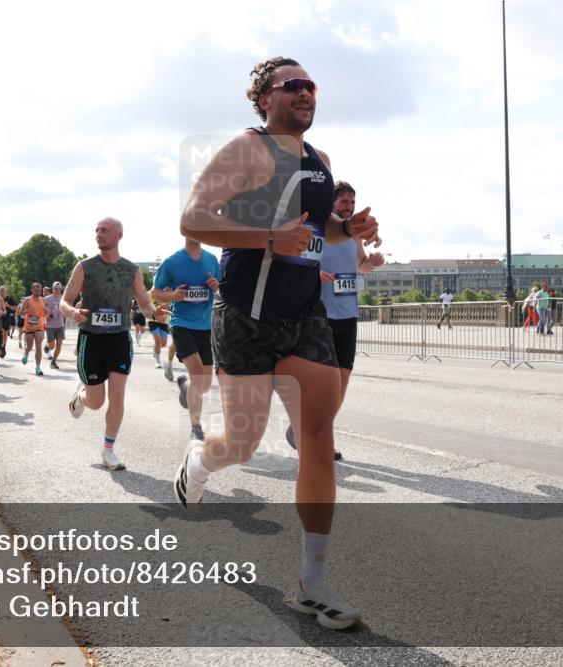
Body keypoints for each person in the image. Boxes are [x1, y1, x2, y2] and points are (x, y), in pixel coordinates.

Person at [170, 57, 380, 630]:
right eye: (294, 85)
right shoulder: (248, 149)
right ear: (265, 97)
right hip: (244, 315)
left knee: (318, 433)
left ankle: (313, 581)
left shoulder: (320, 162)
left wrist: (348, 230)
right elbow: (193, 219)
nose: (307, 93)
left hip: (303, 317)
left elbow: (315, 232)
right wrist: (266, 235)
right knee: (241, 444)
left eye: (312, 84)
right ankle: (200, 460)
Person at [286, 180, 385, 460]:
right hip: (320, 315)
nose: (349, 207)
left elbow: (360, 266)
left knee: (342, 381)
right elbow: (297, 263)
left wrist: (372, 264)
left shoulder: (353, 235)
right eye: (344, 202)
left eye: (352, 202)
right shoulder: (321, 231)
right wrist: (315, 276)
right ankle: (315, 437)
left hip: (348, 314)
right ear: (331, 204)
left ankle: (307, 431)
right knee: (323, 384)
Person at [61, 218, 164, 471]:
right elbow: (64, 301)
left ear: (119, 235)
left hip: (119, 338)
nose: (99, 235)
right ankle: (81, 397)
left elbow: (144, 303)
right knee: (97, 402)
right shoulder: (84, 267)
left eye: (104, 231)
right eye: (96, 230)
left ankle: (108, 450)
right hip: (91, 340)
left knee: (118, 395)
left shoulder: (132, 270)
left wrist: (154, 314)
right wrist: (73, 313)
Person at [151, 239, 221, 442]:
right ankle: (196, 428)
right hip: (181, 323)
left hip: (205, 325)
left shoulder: (211, 259)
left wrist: (215, 286)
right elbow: (155, 292)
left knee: (205, 384)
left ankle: (185, 386)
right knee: (198, 373)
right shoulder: (172, 261)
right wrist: (173, 295)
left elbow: (221, 287)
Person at [19, 282, 47, 376]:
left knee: (38, 345)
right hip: (29, 326)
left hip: (39, 326)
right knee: (30, 347)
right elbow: (21, 312)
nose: (38, 292)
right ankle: (26, 353)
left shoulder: (43, 300)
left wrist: (47, 312)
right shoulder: (27, 300)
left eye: (39, 290)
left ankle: (38, 367)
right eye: (36, 290)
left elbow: (46, 312)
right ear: (32, 290)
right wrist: (27, 311)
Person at [44, 281, 66, 370]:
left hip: (60, 325)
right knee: (52, 346)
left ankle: (53, 361)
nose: (57, 290)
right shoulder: (47, 299)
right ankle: (47, 347)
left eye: (59, 289)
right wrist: (47, 314)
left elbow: (66, 309)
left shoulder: (63, 299)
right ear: (52, 289)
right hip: (50, 325)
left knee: (59, 344)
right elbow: (42, 309)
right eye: (55, 288)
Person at [148, 305, 172, 375]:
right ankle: (157, 362)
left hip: (164, 322)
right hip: (153, 320)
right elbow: (147, 306)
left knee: (163, 344)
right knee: (158, 342)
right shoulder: (151, 294)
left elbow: (170, 308)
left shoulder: (168, 295)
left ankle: (155, 348)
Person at [0, 286, 17, 357]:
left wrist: (8, 306)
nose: (2, 292)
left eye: (3, 290)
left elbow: (15, 308)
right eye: (1, 290)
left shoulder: (9, 299)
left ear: (6, 291)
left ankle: (3, 347)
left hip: (6, 318)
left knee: (5, 334)